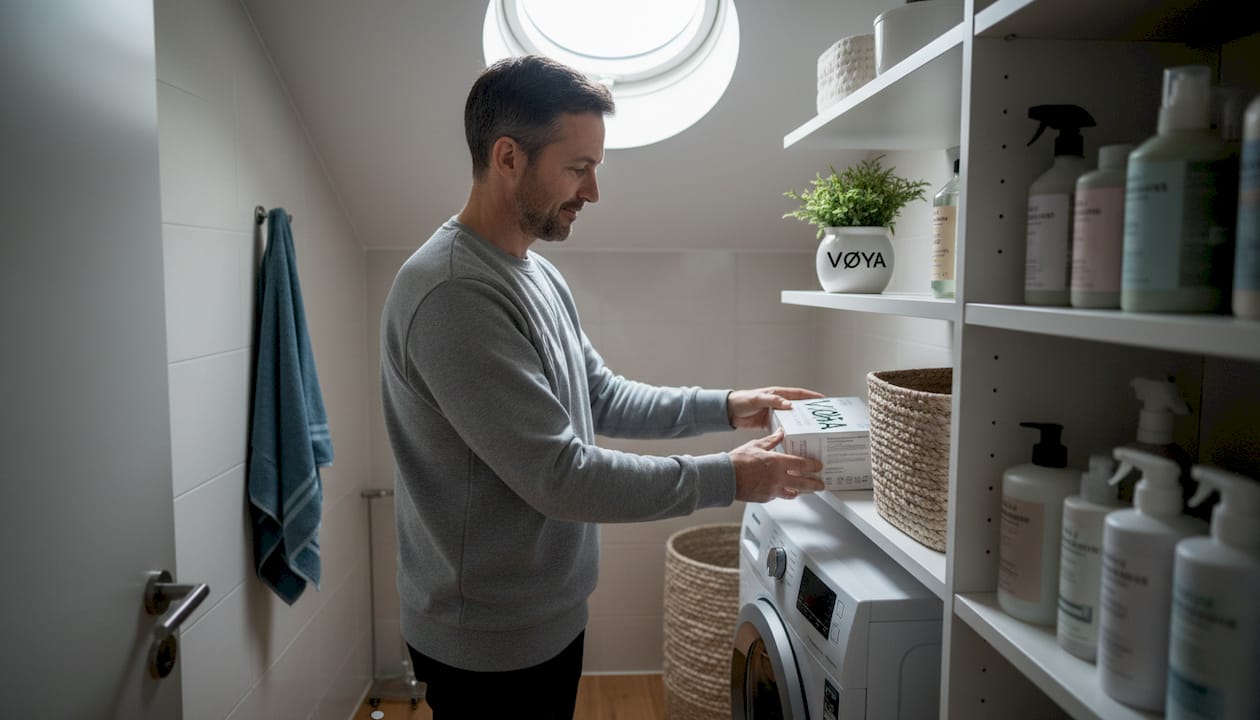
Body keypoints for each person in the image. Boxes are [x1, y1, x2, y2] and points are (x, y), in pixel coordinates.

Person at [379, 54, 825, 719]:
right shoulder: (452, 293)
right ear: (508, 158)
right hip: (486, 641)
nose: (593, 192)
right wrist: (730, 478)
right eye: (578, 168)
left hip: (546, 613)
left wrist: (731, 406)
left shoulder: (530, 270)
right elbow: (560, 476)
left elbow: (601, 395)